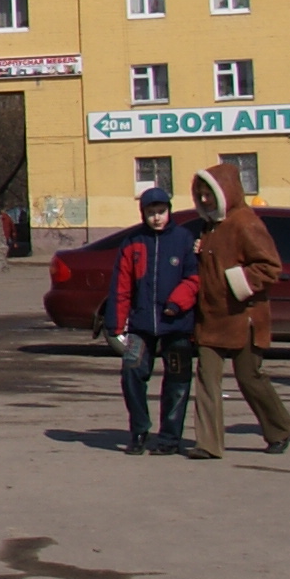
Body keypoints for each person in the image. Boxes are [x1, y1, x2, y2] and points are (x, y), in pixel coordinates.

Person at [183, 164, 290, 459]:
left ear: (226, 193)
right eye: (201, 194)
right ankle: (208, 444)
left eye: (210, 194)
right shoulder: (211, 225)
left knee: (249, 377)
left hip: (243, 317)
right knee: (207, 379)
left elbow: (270, 267)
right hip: (211, 318)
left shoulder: (245, 222)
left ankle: (280, 427)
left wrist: (239, 281)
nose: (205, 199)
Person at [98, 182, 204, 455]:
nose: (156, 216)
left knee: (178, 382)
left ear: (169, 210)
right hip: (140, 326)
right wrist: (115, 325)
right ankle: (139, 431)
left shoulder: (183, 240)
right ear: (142, 213)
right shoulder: (133, 243)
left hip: (176, 325)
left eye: (161, 210)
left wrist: (177, 303)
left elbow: (194, 279)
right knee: (131, 373)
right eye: (151, 211)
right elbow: (121, 287)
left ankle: (169, 438)